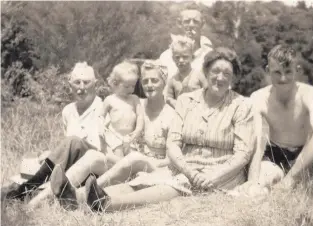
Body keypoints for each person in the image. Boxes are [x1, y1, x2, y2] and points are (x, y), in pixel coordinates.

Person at [50, 48, 256, 212]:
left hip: (221, 174)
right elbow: (173, 144)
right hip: (186, 167)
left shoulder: (241, 106)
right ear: (206, 72)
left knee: (170, 187)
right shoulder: (186, 101)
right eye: (215, 72)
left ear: (234, 78)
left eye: (226, 73)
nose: (219, 78)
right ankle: (76, 197)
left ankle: (106, 204)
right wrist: (188, 170)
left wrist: (211, 177)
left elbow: (242, 154)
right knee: (144, 181)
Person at [2, 62, 112, 204]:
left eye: (87, 82)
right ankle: (26, 190)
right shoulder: (68, 111)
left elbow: (101, 150)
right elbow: (68, 149)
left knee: (74, 141)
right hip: (74, 170)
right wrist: (53, 153)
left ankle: (27, 188)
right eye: (77, 82)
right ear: (70, 84)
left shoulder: (103, 108)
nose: (82, 87)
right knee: (40, 157)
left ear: (95, 84)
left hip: (96, 167)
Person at [246, 44, 313, 199]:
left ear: (297, 70)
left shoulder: (310, 93)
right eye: (277, 72)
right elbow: (256, 143)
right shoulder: (257, 98)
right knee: (260, 191)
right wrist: (253, 181)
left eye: (288, 72)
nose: (283, 78)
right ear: (268, 71)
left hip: (304, 154)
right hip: (275, 155)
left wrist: (290, 179)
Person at [160, 6, 212, 96]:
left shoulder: (210, 55)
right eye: (187, 21)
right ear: (179, 23)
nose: (191, 25)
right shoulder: (165, 57)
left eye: (196, 21)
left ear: (202, 24)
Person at [101, 61, 144, 158]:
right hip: (115, 136)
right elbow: (100, 115)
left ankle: (133, 171)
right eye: (126, 86)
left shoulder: (134, 99)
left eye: (133, 86)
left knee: (134, 157)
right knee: (118, 157)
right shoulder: (110, 100)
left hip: (131, 136)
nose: (130, 90)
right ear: (115, 83)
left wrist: (138, 130)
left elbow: (140, 116)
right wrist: (101, 126)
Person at [166, 35, 207, 109]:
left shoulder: (199, 75)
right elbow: (168, 98)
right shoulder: (173, 80)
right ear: (173, 59)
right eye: (177, 57)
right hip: (180, 114)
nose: (181, 60)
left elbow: (208, 92)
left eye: (185, 57)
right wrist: (175, 103)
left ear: (192, 57)